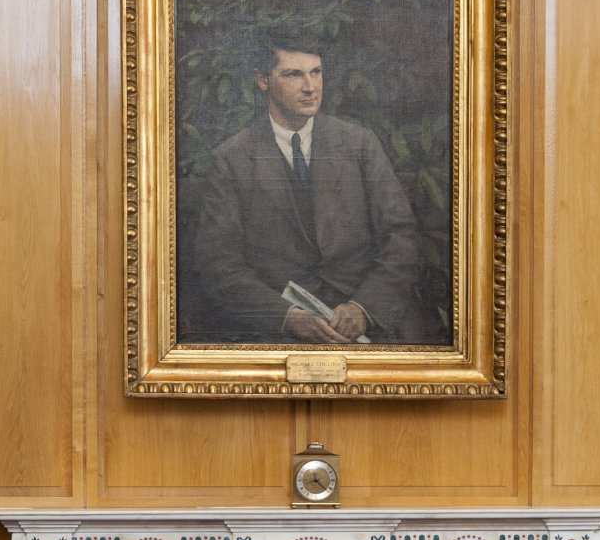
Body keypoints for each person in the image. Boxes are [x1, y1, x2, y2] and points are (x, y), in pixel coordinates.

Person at [185, 38, 446, 344]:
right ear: (262, 80)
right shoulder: (232, 157)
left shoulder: (359, 144)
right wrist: (286, 316)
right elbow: (219, 262)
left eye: (316, 72)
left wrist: (363, 307)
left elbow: (400, 236)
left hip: (366, 319)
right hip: (275, 327)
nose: (310, 86)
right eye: (294, 74)